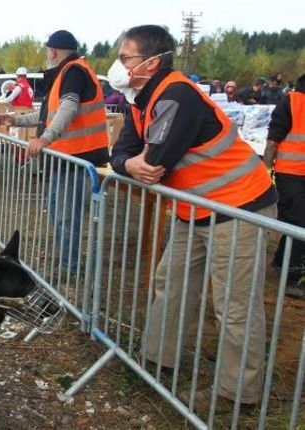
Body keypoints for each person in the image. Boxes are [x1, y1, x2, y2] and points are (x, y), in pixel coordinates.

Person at [109, 25, 276, 412]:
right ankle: (154, 361)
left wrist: (132, 163)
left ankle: (238, 394)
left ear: (152, 62)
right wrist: (126, 163)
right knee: (172, 284)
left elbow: (153, 165)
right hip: (195, 210)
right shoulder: (140, 100)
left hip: (240, 210)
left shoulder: (177, 94)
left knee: (235, 307)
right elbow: (122, 155)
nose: (118, 65)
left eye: (125, 57)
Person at [0, 30, 109, 275]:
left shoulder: (73, 72)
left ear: (53, 51)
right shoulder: (65, 74)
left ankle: (71, 267)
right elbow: (47, 114)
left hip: (78, 156)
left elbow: (68, 107)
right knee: (59, 211)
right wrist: (15, 120)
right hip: (67, 157)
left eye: (47, 52)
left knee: (66, 215)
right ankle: (67, 262)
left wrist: (45, 138)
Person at [264, 73, 305, 299]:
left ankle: (281, 261)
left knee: (295, 221)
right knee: (300, 222)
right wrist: (267, 170)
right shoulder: (292, 100)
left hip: (297, 174)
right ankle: (292, 277)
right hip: (290, 173)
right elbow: (273, 139)